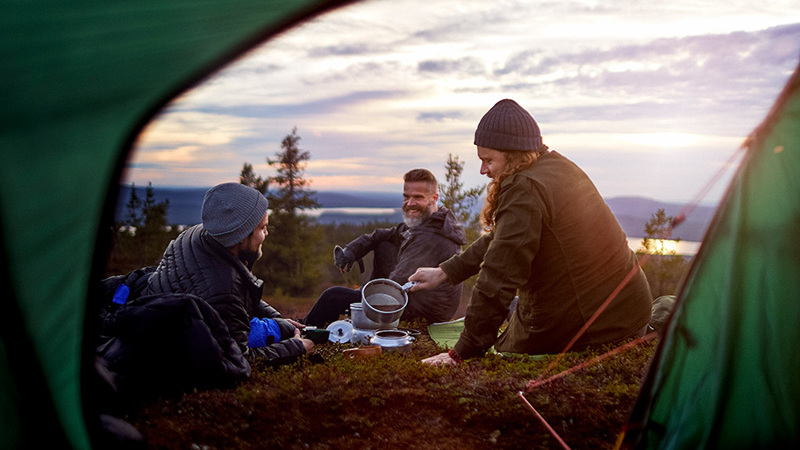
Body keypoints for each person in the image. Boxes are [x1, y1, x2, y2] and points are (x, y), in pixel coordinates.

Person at [410, 99, 652, 365]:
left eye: (488, 160)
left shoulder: (524, 188)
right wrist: (446, 272)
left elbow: (499, 275)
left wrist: (462, 353)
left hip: (595, 326)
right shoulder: (556, 166)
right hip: (627, 309)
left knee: (513, 339)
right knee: (514, 316)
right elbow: (503, 237)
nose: (483, 170)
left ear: (513, 154)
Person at [142, 182, 314, 366]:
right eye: (262, 228)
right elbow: (239, 360)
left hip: (152, 320)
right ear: (240, 235)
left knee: (273, 327)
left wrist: (278, 319)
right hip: (165, 351)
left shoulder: (200, 234)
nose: (267, 233)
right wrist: (297, 347)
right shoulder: (223, 288)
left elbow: (240, 296)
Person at [302, 169, 467, 327]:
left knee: (332, 297)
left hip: (424, 314)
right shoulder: (430, 220)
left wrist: (359, 297)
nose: (410, 203)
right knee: (384, 244)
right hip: (416, 298)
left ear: (434, 198)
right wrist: (352, 251)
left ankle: (301, 332)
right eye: (406, 197)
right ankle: (310, 324)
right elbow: (383, 235)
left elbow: (395, 287)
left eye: (418, 197)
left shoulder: (430, 237)